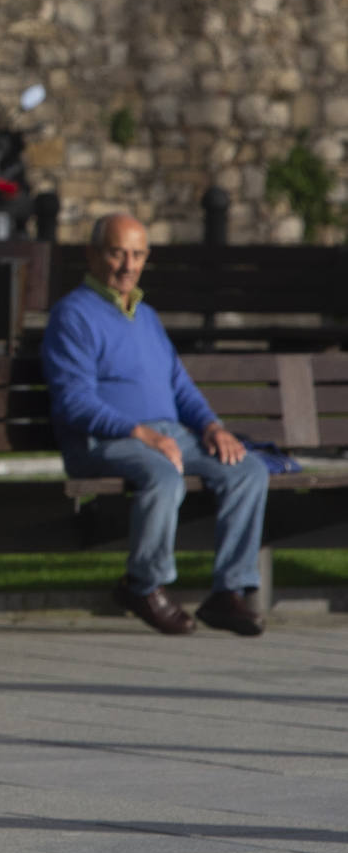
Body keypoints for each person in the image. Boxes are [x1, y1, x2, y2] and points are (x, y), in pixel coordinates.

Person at [40, 212, 268, 637]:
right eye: (116, 253)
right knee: (164, 476)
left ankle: (228, 591)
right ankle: (143, 584)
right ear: (92, 255)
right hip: (106, 439)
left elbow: (180, 388)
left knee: (248, 469)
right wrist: (140, 433)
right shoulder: (72, 316)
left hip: (167, 433)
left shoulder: (145, 316)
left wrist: (213, 427)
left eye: (137, 254)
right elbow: (74, 401)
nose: (128, 266)